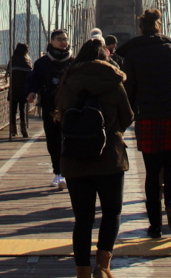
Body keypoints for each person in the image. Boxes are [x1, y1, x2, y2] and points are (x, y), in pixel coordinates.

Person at [56, 38, 133, 278]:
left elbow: (59, 114)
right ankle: (103, 267)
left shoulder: (67, 81)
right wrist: (111, 132)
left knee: (82, 219)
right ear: (105, 56)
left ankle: (82, 273)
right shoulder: (113, 80)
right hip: (109, 157)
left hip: (75, 159)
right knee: (112, 212)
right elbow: (127, 116)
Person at [118, 8, 171, 239]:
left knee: (152, 171)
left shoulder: (132, 54)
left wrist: (126, 117)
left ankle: (154, 226)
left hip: (146, 118)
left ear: (141, 28)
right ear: (159, 25)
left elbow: (128, 90)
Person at [26, 28, 73, 189]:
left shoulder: (74, 62)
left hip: (69, 107)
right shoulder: (42, 63)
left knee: (68, 139)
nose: (63, 42)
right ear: (51, 42)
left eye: (65, 39)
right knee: (53, 141)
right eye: (59, 39)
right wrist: (31, 92)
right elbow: (33, 80)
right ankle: (58, 172)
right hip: (49, 106)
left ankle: (66, 172)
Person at [6, 41, 33, 138]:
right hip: (23, 89)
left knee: (13, 110)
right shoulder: (27, 59)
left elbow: (8, 72)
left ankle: (13, 130)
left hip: (13, 88)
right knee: (22, 109)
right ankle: (23, 129)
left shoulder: (13, 59)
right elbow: (31, 74)